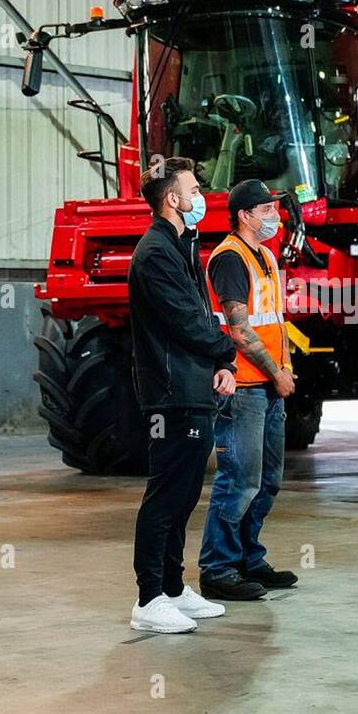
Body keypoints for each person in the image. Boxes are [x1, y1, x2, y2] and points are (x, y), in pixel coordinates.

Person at [127, 157, 238, 634]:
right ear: (172, 199)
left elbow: (200, 317)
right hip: (171, 393)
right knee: (166, 495)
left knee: (186, 492)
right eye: (193, 190)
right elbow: (188, 322)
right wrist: (230, 350)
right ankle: (148, 598)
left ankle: (172, 587)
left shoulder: (181, 246)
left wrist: (220, 364)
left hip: (192, 386)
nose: (200, 198)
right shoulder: (155, 253)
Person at [198, 179, 300, 601]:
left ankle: (247, 557)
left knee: (267, 479)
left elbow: (275, 320)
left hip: (270, 384)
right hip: (242, 387)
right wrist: (275, 373)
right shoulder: (229, 258)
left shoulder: (266, 257)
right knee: (239, 479)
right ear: (245, 215)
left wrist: (286, 365)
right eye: (266, 210)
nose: (274, 216)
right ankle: (218, 568)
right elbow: (239, 331)